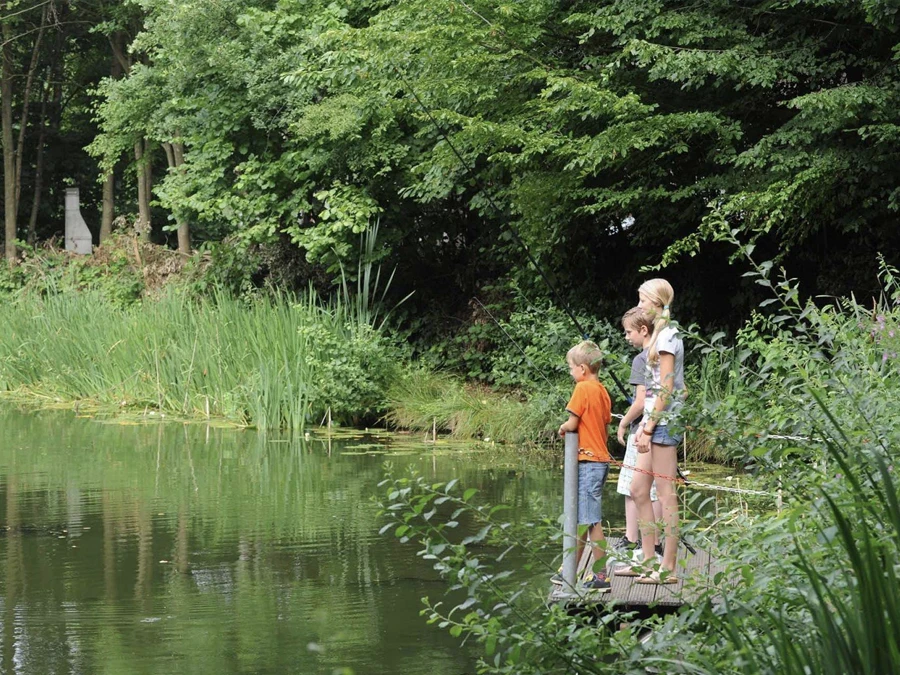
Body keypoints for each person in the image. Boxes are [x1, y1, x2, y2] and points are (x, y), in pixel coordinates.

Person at [623, 279, 685, 584]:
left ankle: (669, 568)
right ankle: (648, 561)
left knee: (666, 495)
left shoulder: (667, 338)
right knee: (637, 489)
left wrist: (647, 427)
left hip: (663, 424)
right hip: (653, 422)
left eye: (642, 299)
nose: (639, 305)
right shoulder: (659, 335)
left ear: (656, 302)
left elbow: (667, 388)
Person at [556, 340, 613, 591]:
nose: (570, 373)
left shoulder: (582, 389)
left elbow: (572, 422)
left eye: (570, 368)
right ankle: (570, 567)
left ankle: (601, 576)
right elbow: (605, 425)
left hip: (588, 463)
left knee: (591, 521)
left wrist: (563, 428)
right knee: (581, 518)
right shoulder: (602, 390)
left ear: (581, 368)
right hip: (600, 460)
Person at [614, 307, 662, 559]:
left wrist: (624, 422)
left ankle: (635, 540)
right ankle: (652, 542)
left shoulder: (642, 359)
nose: (626, 337)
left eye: (628, 332)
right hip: (662, 431)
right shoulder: (664, 354)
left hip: (642, 431)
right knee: (654, 490)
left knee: (635, 488)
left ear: (643, 331)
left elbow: (641, 401)